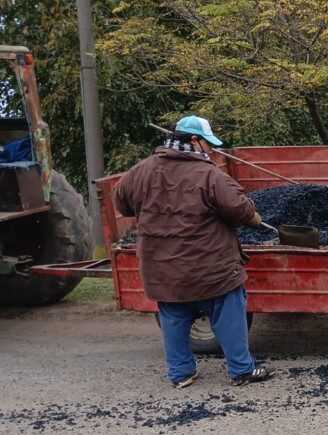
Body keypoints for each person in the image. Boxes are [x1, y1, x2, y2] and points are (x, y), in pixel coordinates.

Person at [113, 115, 273, 388]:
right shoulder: (208, 175)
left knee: (174, 316)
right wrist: (254, 218)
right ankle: (242, 370)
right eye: (207, 143)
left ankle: (181, 374)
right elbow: (238, 209)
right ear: (193, 142)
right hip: (209, 266)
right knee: (228, 311)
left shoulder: (142, 170)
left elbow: (121, 201)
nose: (210, 149)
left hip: (162, 268)